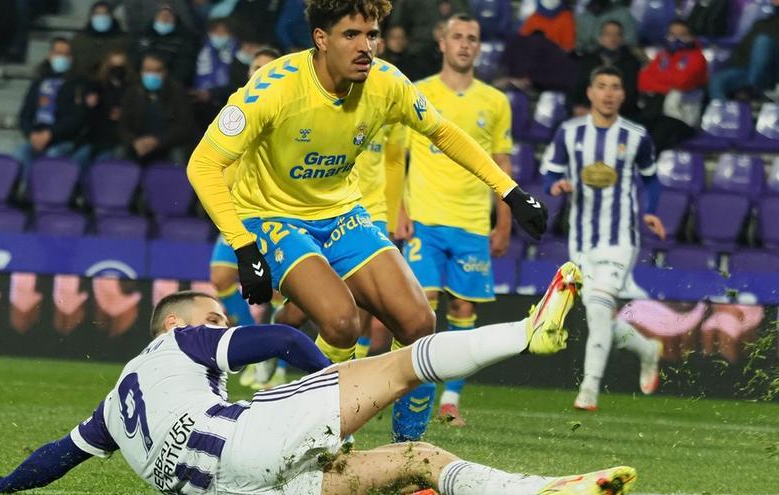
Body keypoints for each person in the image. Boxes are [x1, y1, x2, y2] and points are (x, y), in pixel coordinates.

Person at [187, 0, 548, 443]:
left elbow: (443, 132)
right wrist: (244, 247)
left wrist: (510, 192)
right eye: (351, 36)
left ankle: (407, 453)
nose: (366, 47)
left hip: (342, 212)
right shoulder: (275, 87)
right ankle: (303, 433)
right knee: (341, 323)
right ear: (321, 39)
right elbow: (202, 164)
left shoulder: (386, 83)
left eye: (372, 35)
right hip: (273, 216)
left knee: (418, 323)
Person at [0, 277, 639, 495]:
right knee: (401, 362)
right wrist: (337, 384)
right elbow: (283, 339)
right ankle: (529, 332)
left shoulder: (113, 404)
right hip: (238, 437)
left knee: (416, 461)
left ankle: (547, 491)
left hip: (230, 490)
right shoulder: (178, 341)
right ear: (172, 322)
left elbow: (60, 453)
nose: (220, 323)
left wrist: (1, 486)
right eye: (211, 315)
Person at [393, 14, 514, 429]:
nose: (465, 44)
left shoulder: (495, 102)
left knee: (462, 309)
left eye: (473, 39)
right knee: (421, 309)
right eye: (457, 37)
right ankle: (411, 395)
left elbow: (502, 164)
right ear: (442, 43)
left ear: (479, 48)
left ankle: (450, 401)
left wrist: (504, 222)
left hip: (472, 223)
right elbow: (399, 155)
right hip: (425, 219)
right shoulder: (417, 92)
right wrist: (399, 209)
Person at [541, 66, 665, 412]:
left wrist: (651, 210)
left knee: (597, 310)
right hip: (580, 241)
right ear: (591, 93)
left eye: (615, 87)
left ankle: (589, 390)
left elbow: (652, 179)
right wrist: (556, 185)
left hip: (620, 239)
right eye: (602, 86)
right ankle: (647, 349)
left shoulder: (636, 136)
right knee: (602, 316)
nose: (609, 93)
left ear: (623, 95)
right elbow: (549, 171)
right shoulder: (569, 133)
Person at [209, 47, 281, 331]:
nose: (260, 73)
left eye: (268, 68)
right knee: (221, 277)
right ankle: (255, 343)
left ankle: (274, 354)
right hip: (238, 209)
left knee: (276, 290)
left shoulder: (286, 112)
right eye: (256, 68)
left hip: (273, 211)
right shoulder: (234, 110)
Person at [13, 37, 88, 174]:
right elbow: (25, 115)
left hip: (63, 141)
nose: (62, 57)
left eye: (66, 54)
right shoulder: (38, 83)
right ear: (50, 55)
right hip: (36, 137)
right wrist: (31, 134)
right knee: (19, 154)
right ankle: (30, 192)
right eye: (58, 53)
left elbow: (76, 118)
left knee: (53, 156)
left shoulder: (78, 84)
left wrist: (51, 134)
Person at [637, 19, 708, 154]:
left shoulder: (697, 58)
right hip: (658, 113)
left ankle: (646, 170)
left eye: (681, 35)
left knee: (659, 133)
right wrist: (668, 86)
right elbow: (643, 81)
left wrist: (660, 80)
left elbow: (682, 82)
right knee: (635, 127)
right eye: (672, 34)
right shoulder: (662, 56)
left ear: (691, 37)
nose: (676, 39)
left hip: (684, 119)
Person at [118, 53, 194, 165]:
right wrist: (134, 142)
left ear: (165, 72)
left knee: (178, 157)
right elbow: (123, 125)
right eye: (148, 70)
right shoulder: (132, 92)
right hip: (137, 144)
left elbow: (185, 128)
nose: (151, 75)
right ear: (141, 72)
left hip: (168, 145)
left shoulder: (178, 93)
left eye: (156, 71)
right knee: (119, 155)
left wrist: (157, 141)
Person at [708, 0, 779, 101]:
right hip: (747, 70)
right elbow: (743, 48)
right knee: (717, 81)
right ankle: (726, 113)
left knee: (763, 41)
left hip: (771, 72)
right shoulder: (760, 23)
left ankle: (755, 88)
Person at [571, 20, 640, 118]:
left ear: (622, 39)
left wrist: (597, 112)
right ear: (600, 38)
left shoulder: (631, 63)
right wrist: (576, 107)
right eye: (608, 34)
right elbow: (575, 89)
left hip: (619, 115)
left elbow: (629, 96)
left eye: (617, 34)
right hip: (586, 113)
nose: (613, 38)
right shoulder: (588, 61)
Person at [87, 50, 134, 163]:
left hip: (122, 138)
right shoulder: (96, 87)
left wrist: (124, 114)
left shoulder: (133, 88)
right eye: (113, 66)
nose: (117, 69)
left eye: (120, 66)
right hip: (99, 137)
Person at [133, 5, 199, 86]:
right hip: (141, 81)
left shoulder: (185, 38)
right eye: (162, 16)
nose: (164, 20)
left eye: (168, 17)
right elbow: (135, 58)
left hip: (173, 84)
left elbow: (184, 64)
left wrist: (170, 84)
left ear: (174, 19)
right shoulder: (144, 35)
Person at [70, 2, 128, 80]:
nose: (101, 17)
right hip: (85, 83)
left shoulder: (123, 40)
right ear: (91, 17)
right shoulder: (79, 39)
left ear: (111, 16)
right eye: (98, 13)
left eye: (105, 13)